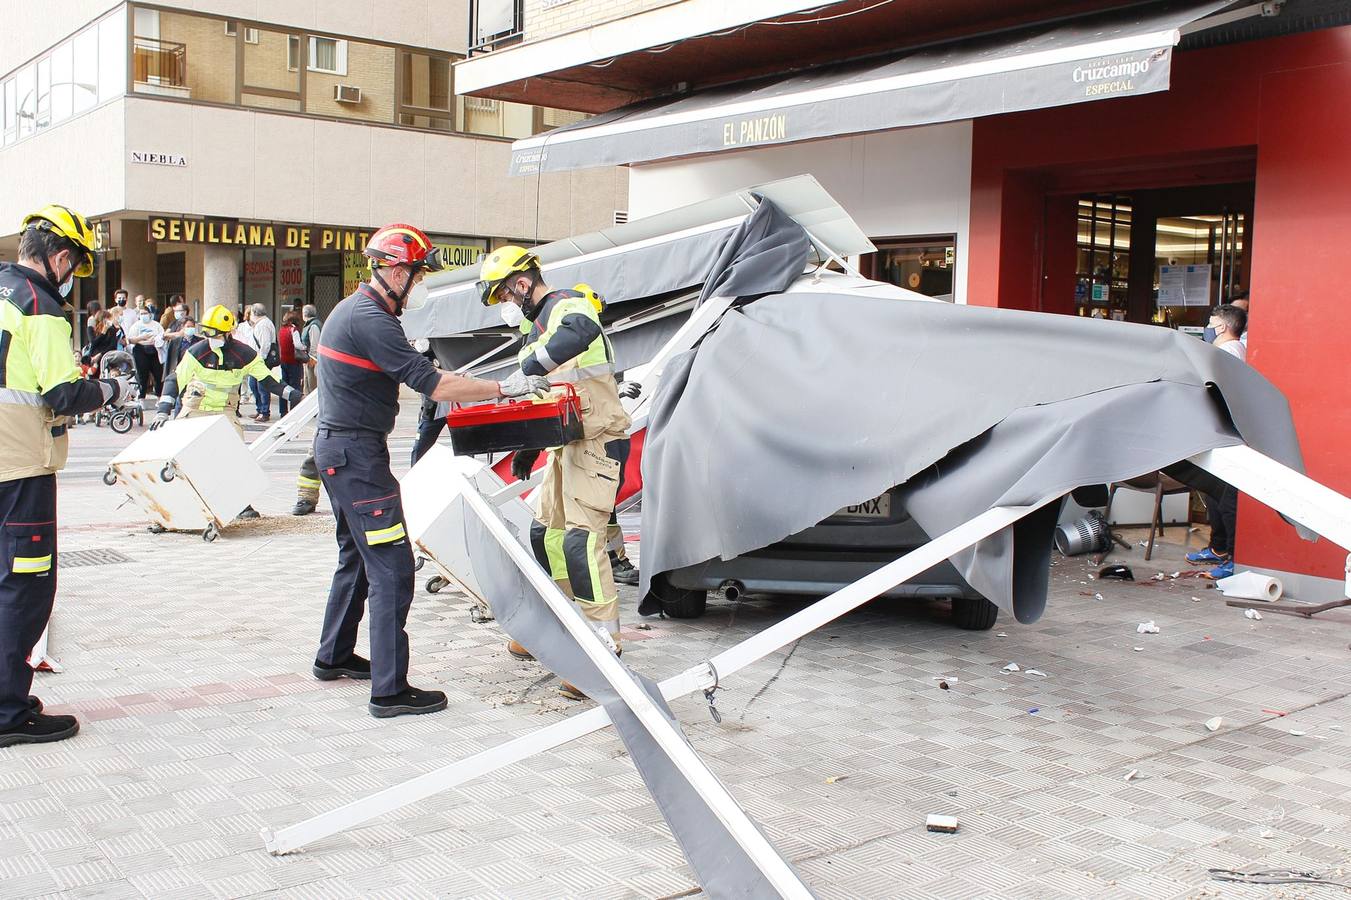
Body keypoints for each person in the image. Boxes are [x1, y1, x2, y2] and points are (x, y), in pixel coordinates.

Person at [312, 223, 549, 719]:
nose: (421, 283)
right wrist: (504, 390)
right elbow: (433, 385)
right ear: (394, 270)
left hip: (341, 451)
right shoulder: (371, 318)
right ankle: (388, 691)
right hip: (357, 457)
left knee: (355, 557)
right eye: (418, 273)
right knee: (393, 569)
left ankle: (333, 656)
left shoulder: (356, 311)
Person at [1, 204, 132, 747]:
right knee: (26, 586)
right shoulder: (41, 307)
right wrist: (114, 390)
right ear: (59, 258)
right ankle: (8, 712)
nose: (72, 279)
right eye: (75, 267)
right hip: (22, 464)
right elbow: (61, 394)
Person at [481, 250, 632, 700]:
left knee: (580, 541)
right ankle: (553, 626)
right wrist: (526, 451)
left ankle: (602, 645)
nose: (506, 300)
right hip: (566, 447)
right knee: (545, 535)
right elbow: (543, 397)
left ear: (522, 283)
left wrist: (526, 370)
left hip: (598, 444)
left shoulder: (567, 304)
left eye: (505, 291)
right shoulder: (535, 330)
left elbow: (580, 334)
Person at [151, 305, 300, 519]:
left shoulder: (244, 354)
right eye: (207, 332)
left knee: (236, 456)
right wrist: (163, 410)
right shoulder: (197, 352)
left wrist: (294, 395)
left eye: (215, 333)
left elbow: (268, 380)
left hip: (225, 411)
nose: (210, 338)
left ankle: (240, 503)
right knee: (183, 458)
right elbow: (175, 380)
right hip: (196, 408)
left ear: (228, 332)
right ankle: (171, 507)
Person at [572, 284, 642, 588]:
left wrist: (616, 388)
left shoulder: (593, 339)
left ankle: (615, 560)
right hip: (593, 435)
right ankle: (609, 562)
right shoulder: (575, 340)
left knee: (608, 501)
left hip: (607, 429)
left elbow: (597, 380)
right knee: (600, 504)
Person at [1186, 304, 1249, 579]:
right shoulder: (1232, 351)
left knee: (1226, 497)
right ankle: (1219, 548)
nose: (1207, 326)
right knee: (1214, 493)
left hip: (1224, 434)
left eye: (1211, 322)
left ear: (1222, 326)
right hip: (1218, 432)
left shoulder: (1227, 353)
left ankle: (1232, 557)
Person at [125, 303, 166, 401]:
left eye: (145, 313)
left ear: (150, 314)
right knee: (142, 375)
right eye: (141, 313)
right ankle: (141, 398)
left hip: (154, 349)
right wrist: (141, 338)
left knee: (158, 375)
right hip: (140, 350)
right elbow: (130, 340)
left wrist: (155, 340)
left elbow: (162, 336)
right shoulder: (136, 326)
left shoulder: (156, 325)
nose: (144, 315)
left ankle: (159, 397)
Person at [247, 303, 277, 422]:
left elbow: (265, 344)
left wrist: (261, 359)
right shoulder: (260, 324)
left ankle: (264, 412)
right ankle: (260, 409)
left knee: (262, 386)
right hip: (255, 360)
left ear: (254, 313)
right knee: (253, 385)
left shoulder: (264, 325)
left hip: (260, 360)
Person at [277, 310, 303, 417]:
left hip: (283, 361)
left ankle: (283, 411)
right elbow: (298, 345)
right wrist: (305, 347)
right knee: (295, 386)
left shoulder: (281, 330)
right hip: (294, 362)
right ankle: (293, 410)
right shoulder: (294, 330)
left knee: (284, 387)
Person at [299, 304, 322, 396]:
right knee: (308, 383)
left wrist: (312, 359)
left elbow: (314, 344)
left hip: (312, 360)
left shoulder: (313, 326)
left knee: (312, 384)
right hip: (309, 358)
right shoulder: (311, 324)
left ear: (304, 314)